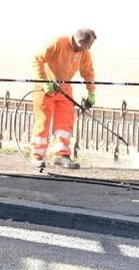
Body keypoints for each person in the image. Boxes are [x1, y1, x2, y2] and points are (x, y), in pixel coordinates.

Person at [31, 28, 96, 169]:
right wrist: (44, 82)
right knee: (43, 122)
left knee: (65, 124)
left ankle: (61, 156)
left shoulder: (83, 53)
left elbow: (88, 72)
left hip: (64, 89)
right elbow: (37, 59)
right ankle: (37, 156)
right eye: (88, 44)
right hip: (44, 89)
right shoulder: (58, 43)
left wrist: (91, 93)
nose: (89, 48)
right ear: (79, 41)